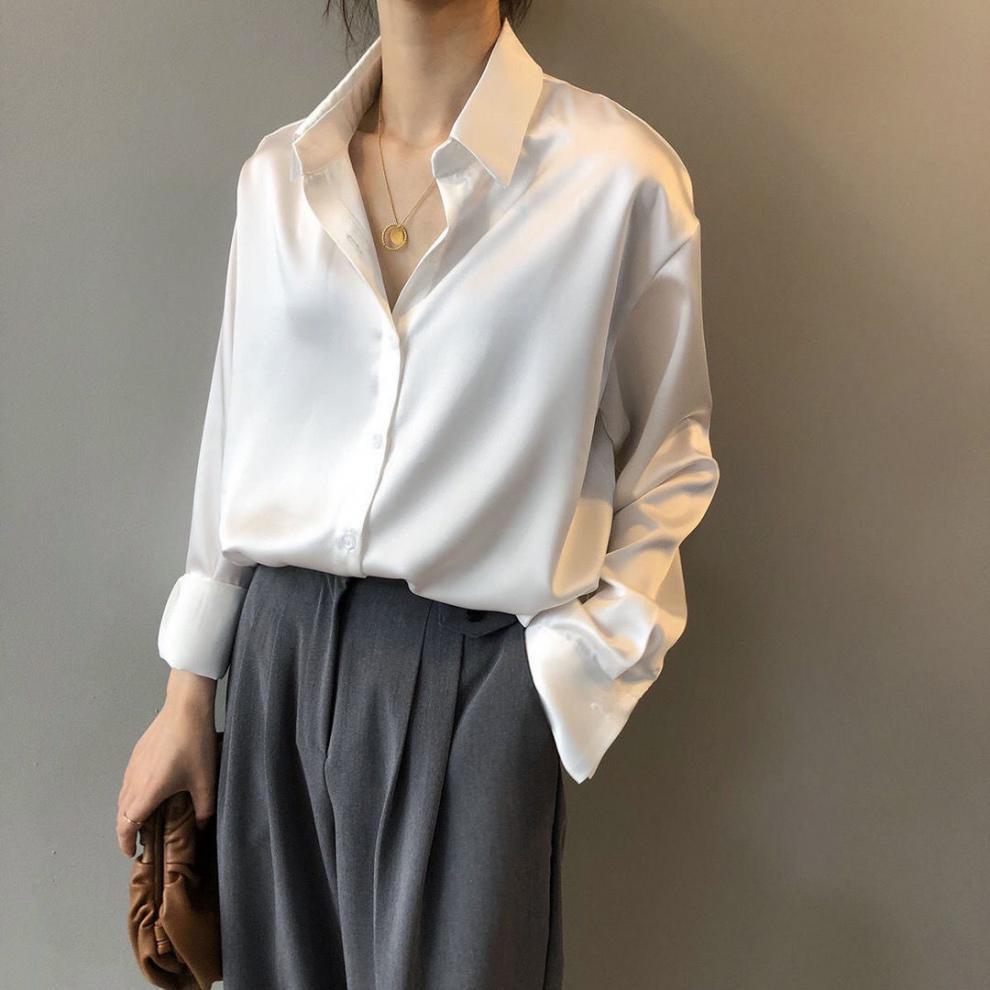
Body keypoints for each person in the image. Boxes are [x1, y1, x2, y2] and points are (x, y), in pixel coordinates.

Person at [116, 1, 720, 986]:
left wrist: (560, 683)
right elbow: (234, 440)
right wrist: (188, 697)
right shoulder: (279, 178)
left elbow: (672, 457)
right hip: (274, 671)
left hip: (474, 678)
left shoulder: (617, 179)